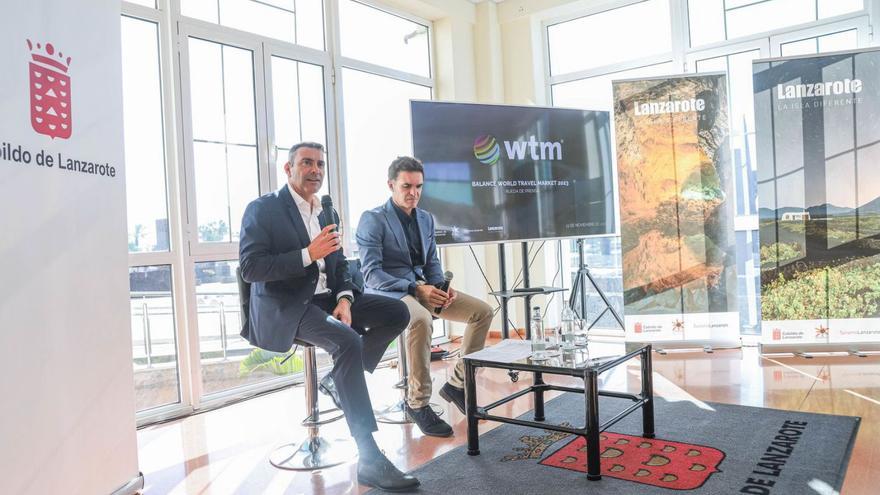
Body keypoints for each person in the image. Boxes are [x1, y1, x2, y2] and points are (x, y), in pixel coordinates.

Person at [239, 142, 418, 491]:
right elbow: (250, 267)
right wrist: (307, 253)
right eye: (306, 163)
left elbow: (339, 266)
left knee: (397, 311)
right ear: (288, 169)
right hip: (286, 305)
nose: (316, 170)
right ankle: (369, 457)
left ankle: (337, 382)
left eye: (320, 164)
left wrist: (345, 298)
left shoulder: (325, 211)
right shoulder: (263, 210)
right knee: (347, 342)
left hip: (324, 300)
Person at [356, 156, 493, 437]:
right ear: (391, 185)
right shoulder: (373, 219)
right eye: (406, 186)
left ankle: (458, 385)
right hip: (390, 293)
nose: (413, 193)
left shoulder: (425, 219)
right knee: (420, 320)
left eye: (418, 186)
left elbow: (431, 262)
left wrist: (440, 286)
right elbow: (371, 274)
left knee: (482, 312)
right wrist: (415, 289)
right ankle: (417, 403)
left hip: (423, 288)